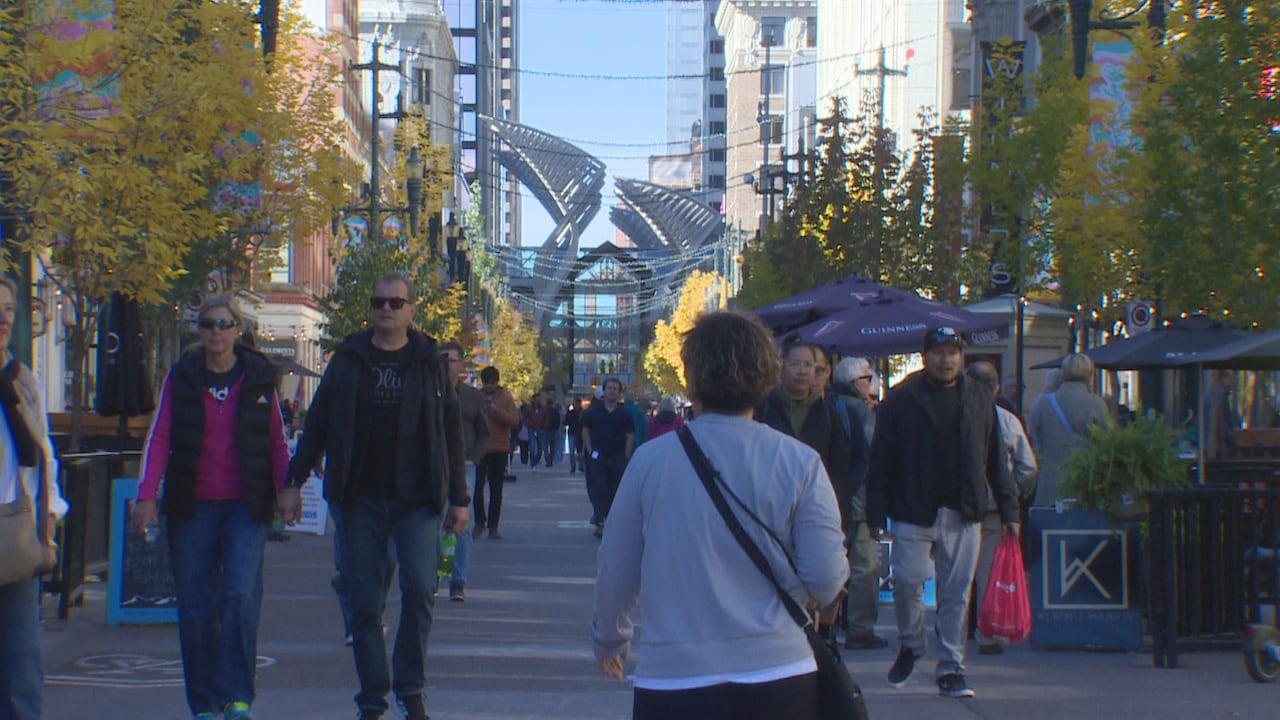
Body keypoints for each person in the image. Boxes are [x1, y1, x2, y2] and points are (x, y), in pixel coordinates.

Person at [592, 311, 849, 719]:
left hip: (676, 675)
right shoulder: (800, 462)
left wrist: (610, 639)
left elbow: (617, 569)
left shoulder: (649, 463)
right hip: (780, 670)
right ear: (767, 377)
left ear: (692, 379)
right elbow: (826, 575)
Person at [280, 272, 468, 720]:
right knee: (364, 600)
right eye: (379, 301)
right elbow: (319, 422)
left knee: (421, 588)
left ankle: (411, 686)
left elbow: (451, 435)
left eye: (396, 303)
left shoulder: (428, 361)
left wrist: (459, 498)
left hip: (417, 498)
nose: (387, 308)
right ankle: (372, 695)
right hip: (358, 497)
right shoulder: (348, 359)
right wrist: (293, 481)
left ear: (411, 310)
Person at [132, 294, 292, 720]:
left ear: (238, 331)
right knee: (197, 605)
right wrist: (146, 494)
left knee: (240, 595)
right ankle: (203, 702)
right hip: (193, 505)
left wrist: (288, 488)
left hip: (245, 505)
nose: (215, 333)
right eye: (207, 325)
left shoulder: (259, 376)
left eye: (223, 325)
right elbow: (160, 437)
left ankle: (238, 696)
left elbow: (276, 441)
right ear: (199, 331)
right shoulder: (181, 377)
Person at [866, 326, 1020, 698]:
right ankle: (911, 643)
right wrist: (875, 514)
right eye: (938, 352)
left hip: (964, 509)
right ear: (925, 356)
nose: (946, 358)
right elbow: (881, 460)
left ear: (961, 357)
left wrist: (1009, 506)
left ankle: (951, 666)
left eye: (952, 351)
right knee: (906, 581)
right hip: (912, 508)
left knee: (956, 593)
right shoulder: (901, 399)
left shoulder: (980, 398)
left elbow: (995, 458)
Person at [0, 276, 66, 720]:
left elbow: (44, 457)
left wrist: (51, 519)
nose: (3, 318)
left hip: (14, 533)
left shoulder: (24, 381)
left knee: (23, 661)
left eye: (7, 309)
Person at [964, 362, 1038, 655]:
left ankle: (953, 630)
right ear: (996, 388)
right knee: (985, 571)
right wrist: (1012, 492)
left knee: (955, 570)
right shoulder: (1007, 420)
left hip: (959, 505)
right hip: (994, 507)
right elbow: (1028, 466)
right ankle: (985, 633)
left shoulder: (958, 416)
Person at [756, 342, 858, 537]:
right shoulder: (764, 408)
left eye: (808, 365)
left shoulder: (830, 413)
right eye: (794, 364)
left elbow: (840, 466)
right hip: (771, 509)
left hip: (817, 507)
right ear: (781, 367)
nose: (802, 371)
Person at [830, 356, 887, 651]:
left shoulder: (827, 405)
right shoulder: (862, 413)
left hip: (832, 499)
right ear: (856, 383)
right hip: (858, 501)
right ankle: (861, 628)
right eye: (868, 379)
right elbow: (871, 458)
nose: (872, 384)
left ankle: (827, 623)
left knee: (831, 562)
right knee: (864, 567)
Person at [1026, 353, 1111, 506]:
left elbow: (1033, 438)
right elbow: (1106, 444)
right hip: (1084, 483)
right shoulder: (1097, 404)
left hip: (1049, 484)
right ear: (1090, 375)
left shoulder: (1042, 403)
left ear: (1062, 374)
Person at [440, 342, 489, 601]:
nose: (448, 364)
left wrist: (474, 458)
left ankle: (458, 580)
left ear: (461, 365)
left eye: (452, 359)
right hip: (433, 467)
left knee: (461, 526)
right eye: (443, 359)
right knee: (436, 524)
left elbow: (484, 432)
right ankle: (439, 571)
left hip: (464, 466)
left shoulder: (472, 397)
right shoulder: (427, 392)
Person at [582, 377, 634, 539]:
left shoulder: (625, 414)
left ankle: (611, 521)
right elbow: (585, 431)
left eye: (615, 389)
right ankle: (600, 520)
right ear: (603, 391)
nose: (612, 391)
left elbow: (630, 435)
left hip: (617, 457)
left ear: (619, 393)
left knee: (615, 490)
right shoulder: (592, 412)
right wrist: (590, 451)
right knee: (598, 488)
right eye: (609, 388)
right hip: (598, 457)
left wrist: (626, 455)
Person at [474, 365, 520, 542]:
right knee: (477, 487)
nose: (488, 387)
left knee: (496, 488)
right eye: (485, 383)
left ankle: (493, 526)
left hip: (499, 448)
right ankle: (479, 521)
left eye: (491, 383)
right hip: (478, 448)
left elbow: (514, 421)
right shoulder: (476, 397)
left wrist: (495, 410)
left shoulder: (506, 398)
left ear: (497, 382)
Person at [1202, 369, 1239, 458]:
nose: (1234, 381)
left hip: (1206, 445)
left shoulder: (1208, 393)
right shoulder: (1219, 395)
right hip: (1217, 448)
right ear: (1223, 378)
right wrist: (1230, 441)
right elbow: (1221, 423)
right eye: (1232, 378)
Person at [523, 394, 548, 468]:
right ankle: (533, 464)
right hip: (532, 429)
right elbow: (525, 418)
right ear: (533, 399)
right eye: (537, 399)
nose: (538, 400)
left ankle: (536, 460)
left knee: (540, 448)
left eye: (539, 399)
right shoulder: (529, 408)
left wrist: (544, 425)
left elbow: (546, 417)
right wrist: (529, 425)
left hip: (540, 429)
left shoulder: (543, 408)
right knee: (532, 446)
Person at [565, 398, 584, 473]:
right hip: (572, 433)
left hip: (580, 434)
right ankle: (573, 467)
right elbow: (566, 422)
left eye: (575, 403)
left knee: (580, 451)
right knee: (572, 451)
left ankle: (581, 466)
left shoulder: (583, 413)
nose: (574, 405)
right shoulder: (570, 413)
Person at [544, 397, 561, 468]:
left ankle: (548, 461)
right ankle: (550, 461)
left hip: (546, 429)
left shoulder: (544, 411)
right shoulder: (555, 411)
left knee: (545, 447)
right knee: (552, 447)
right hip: (553, 430)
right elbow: (558, 421)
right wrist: (556, 428)